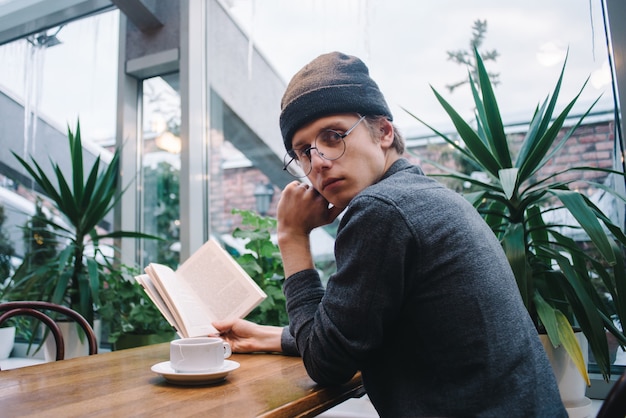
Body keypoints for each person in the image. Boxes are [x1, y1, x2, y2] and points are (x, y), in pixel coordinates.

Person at [213, 51, 566, 417]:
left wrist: (292, 237)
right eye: (303, 151)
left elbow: (327, 366)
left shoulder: (382, 211)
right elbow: (358, 328)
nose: (317, 161)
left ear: (383, 131)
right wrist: (269, 337)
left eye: (333, 136)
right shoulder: (428, 196)